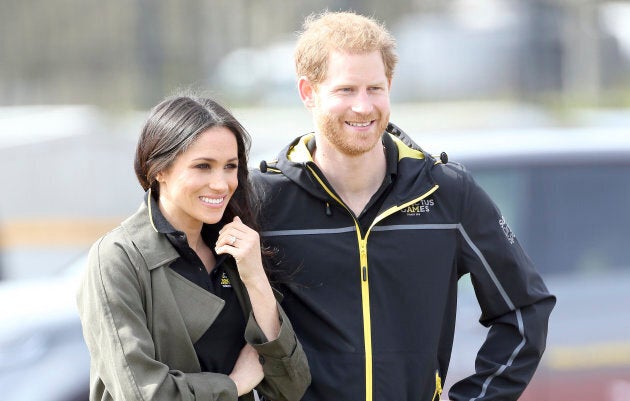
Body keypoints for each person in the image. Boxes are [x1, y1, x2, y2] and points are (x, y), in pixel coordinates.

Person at [251, 11, 555, 401]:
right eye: (346, 90)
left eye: (374, 88)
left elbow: (525, 307)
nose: (363, 107)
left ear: (389, 86)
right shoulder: (262, 200)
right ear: (308, 92)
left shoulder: (445, 192)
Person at [76, 94, 310, 401]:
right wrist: (235, 384)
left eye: (230, 166)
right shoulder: (118, 258)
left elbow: (291, 385)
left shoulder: (234, 251)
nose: (221, 183)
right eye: (203, 166)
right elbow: (142, 394)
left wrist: (255, 278)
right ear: (158, 169)